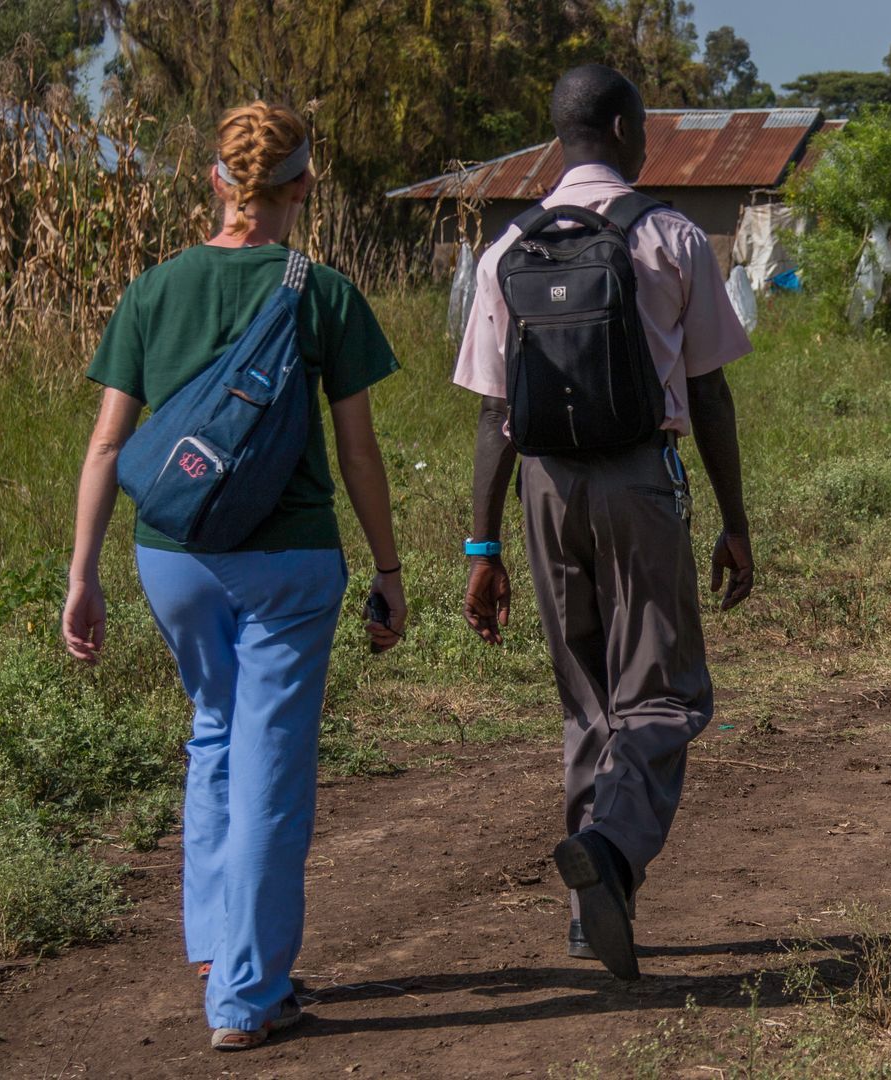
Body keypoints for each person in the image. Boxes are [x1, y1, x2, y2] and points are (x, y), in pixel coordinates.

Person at [62, 101, 407, 1052]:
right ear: (302, 186)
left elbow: (105, 444)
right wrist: (387, 567)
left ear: (217, 182)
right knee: (271, 772)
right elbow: (360, 454)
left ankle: (217, 948)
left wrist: (82, 574)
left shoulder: (154, 291)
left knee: (213, 735)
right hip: (288, 565)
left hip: (171, 559)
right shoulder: (325, 295)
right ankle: (248, 998)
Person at [454, 65, 754, 981]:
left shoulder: (509, 248)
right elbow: (707, 394)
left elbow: (492, 412)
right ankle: (615, 851)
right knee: (663, 694)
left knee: (586, 694)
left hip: (543, 490)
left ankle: (593, 917)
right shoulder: (669, 237)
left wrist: (483, 544)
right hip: (639, 482)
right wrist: (735, 520)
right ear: (624, 128)